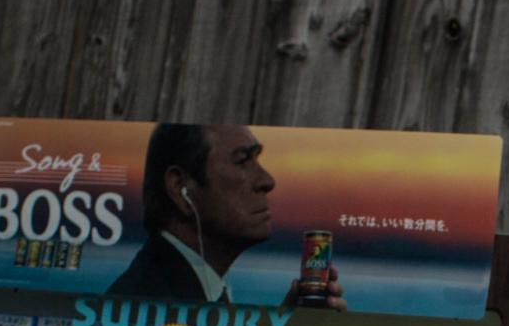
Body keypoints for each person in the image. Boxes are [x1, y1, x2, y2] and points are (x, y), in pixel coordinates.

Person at [106, 122, 345, 307]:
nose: (267, 181)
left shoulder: (175, 288)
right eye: (242, 161)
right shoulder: (149, 298)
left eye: (256, 159)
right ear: (181, 188)